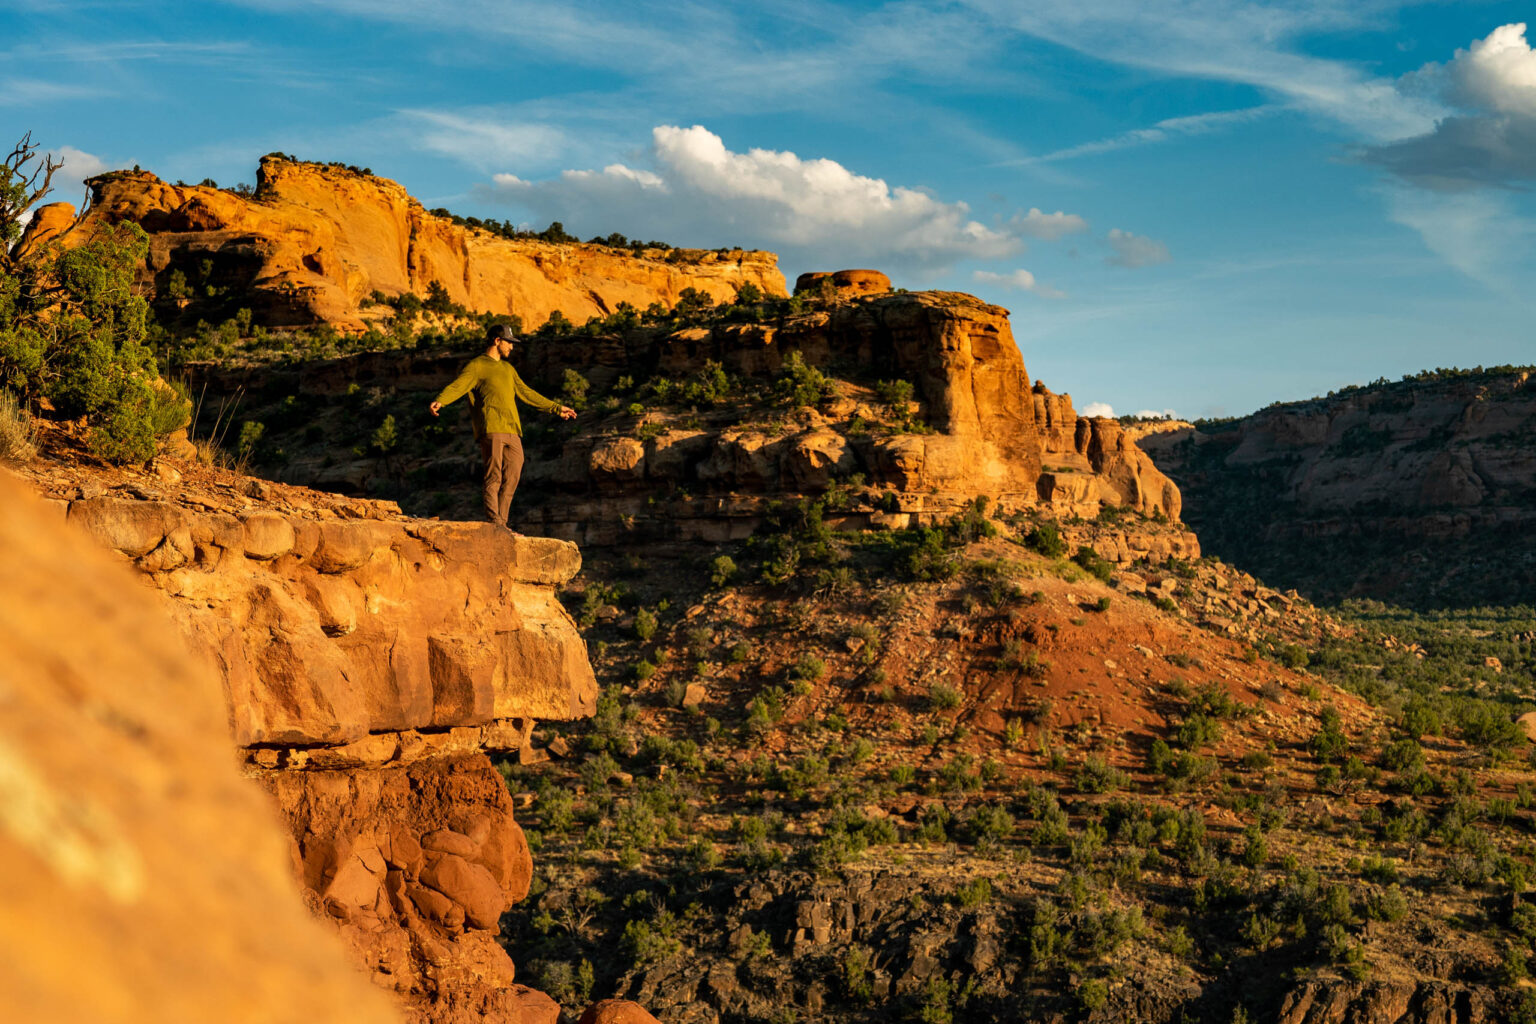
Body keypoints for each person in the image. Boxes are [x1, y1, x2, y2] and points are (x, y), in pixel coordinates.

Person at [429, 323, 575, 531]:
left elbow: (527, 393)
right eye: (509, 343)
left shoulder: (508, 369)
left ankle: (502, 522)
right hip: (491, 427)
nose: (512, 347)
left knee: (513, 474)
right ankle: (494, 522)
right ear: (497, 341)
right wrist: (441, 400)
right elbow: (459, 385)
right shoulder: (477, 365)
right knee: (494, 475)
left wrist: (556, 408)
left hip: (512, 430)